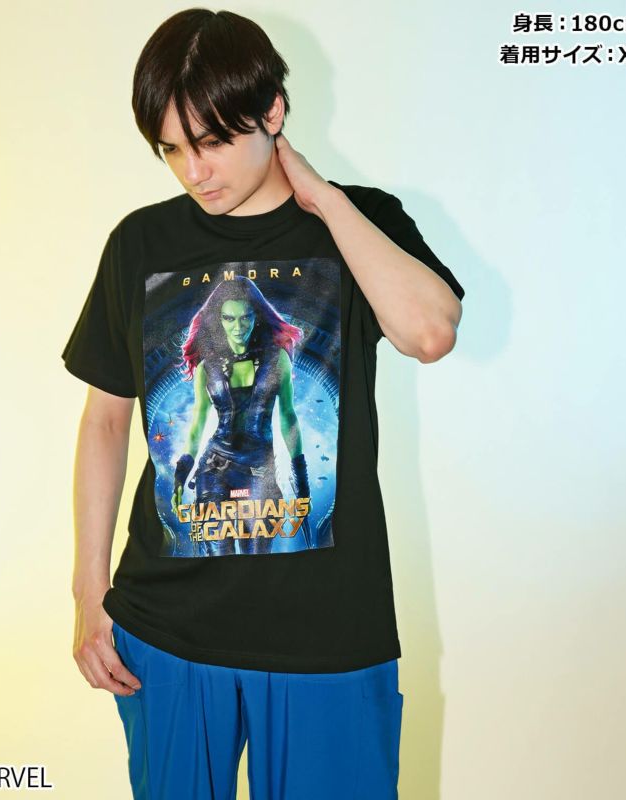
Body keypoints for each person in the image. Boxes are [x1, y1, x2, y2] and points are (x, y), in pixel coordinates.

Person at [61, 8, 464, 800]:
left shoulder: (361, 221)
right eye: (171, 149)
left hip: (328, 631)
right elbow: (106, 420)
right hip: (167, 630)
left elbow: (429, 333)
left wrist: (322, 199)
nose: (193, 171)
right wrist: (87, 594)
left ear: (272, 111)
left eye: (212, 142)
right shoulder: (140, 244)